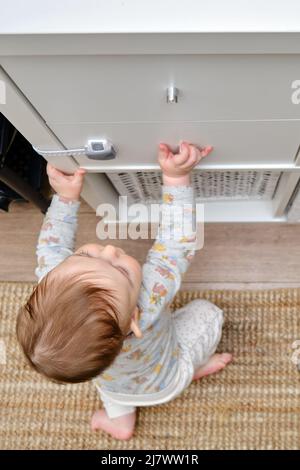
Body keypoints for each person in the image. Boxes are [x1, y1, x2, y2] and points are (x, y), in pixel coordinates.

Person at [16, 140, 232, 440]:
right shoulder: (149, 302)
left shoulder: (55, 281)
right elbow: (176, 244)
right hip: (167, 379)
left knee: (114, 394)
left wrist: (66, 197)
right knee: (209, 312)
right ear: (134, 318)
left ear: (50, 278)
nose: (109, 249)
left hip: (114, 389)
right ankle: (193, 367)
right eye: (119, 269)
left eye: (85, 255)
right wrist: (176, 179)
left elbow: (52, 247)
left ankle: (120, 423)